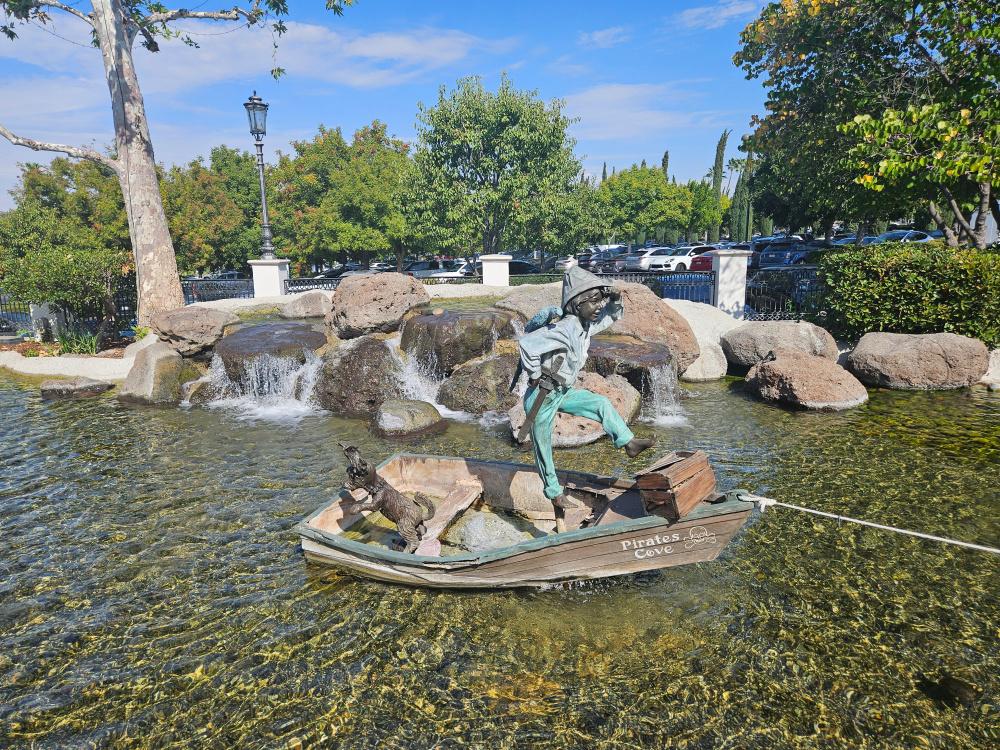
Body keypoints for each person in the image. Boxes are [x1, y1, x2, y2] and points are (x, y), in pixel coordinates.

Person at [518, 266, 655, 511]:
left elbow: (611, 317)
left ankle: (629, 443)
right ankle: (554, 493)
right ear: (576, 304)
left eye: (599, 301)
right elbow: (527, 344)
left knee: (600, 403)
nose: (598, 307)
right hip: (542, 396)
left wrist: (614, 298)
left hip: (561, 392)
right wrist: (536, 374)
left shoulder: (584, 325)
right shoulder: (566, 327)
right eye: (593, 302)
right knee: (543, 446)